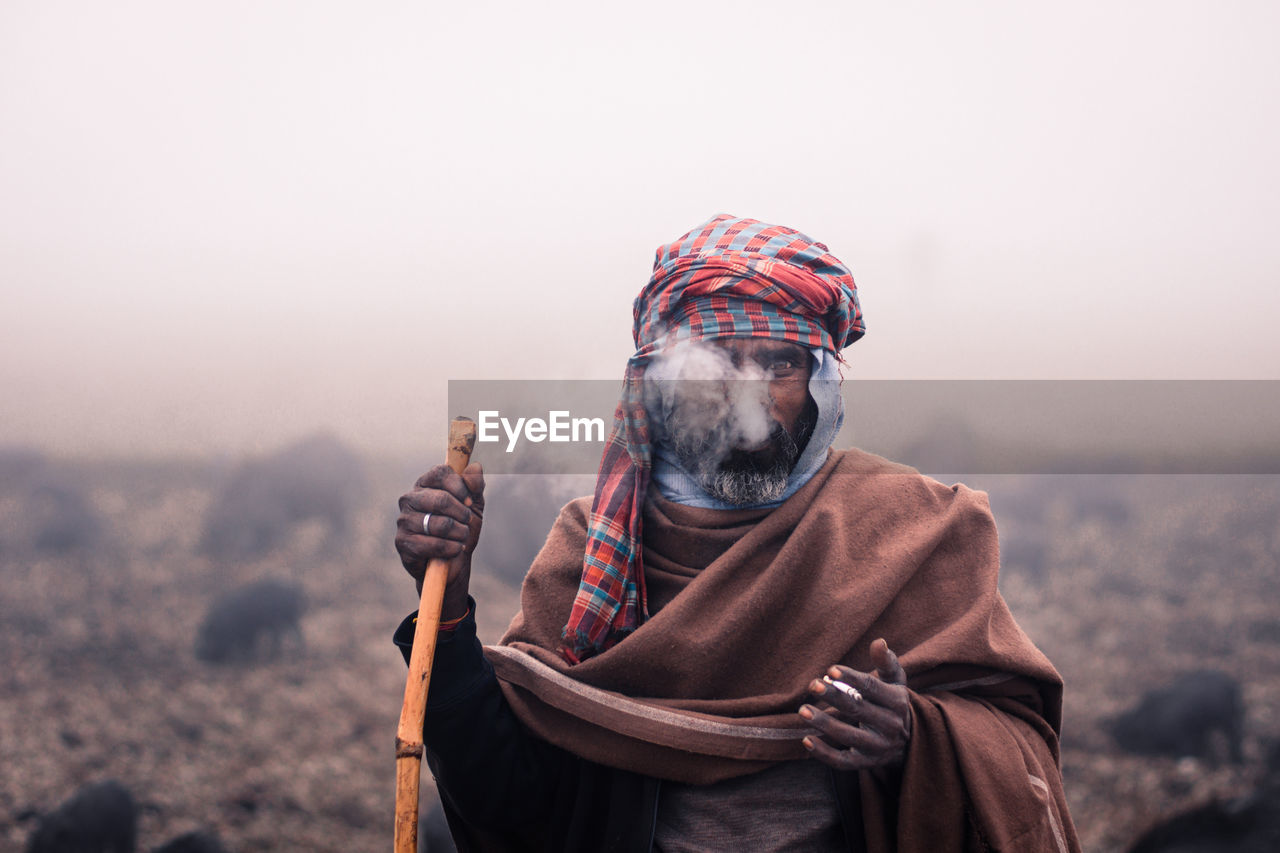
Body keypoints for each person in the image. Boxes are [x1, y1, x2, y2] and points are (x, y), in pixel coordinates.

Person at [394, 214, 1081, 852]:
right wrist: (446, 605)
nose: (750, 398)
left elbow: (1020, 749)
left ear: (819, 383)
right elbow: (514, 808)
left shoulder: (915, 527)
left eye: (780, 364)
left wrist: (914, 737)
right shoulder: (597, 547)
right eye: (718, 363)